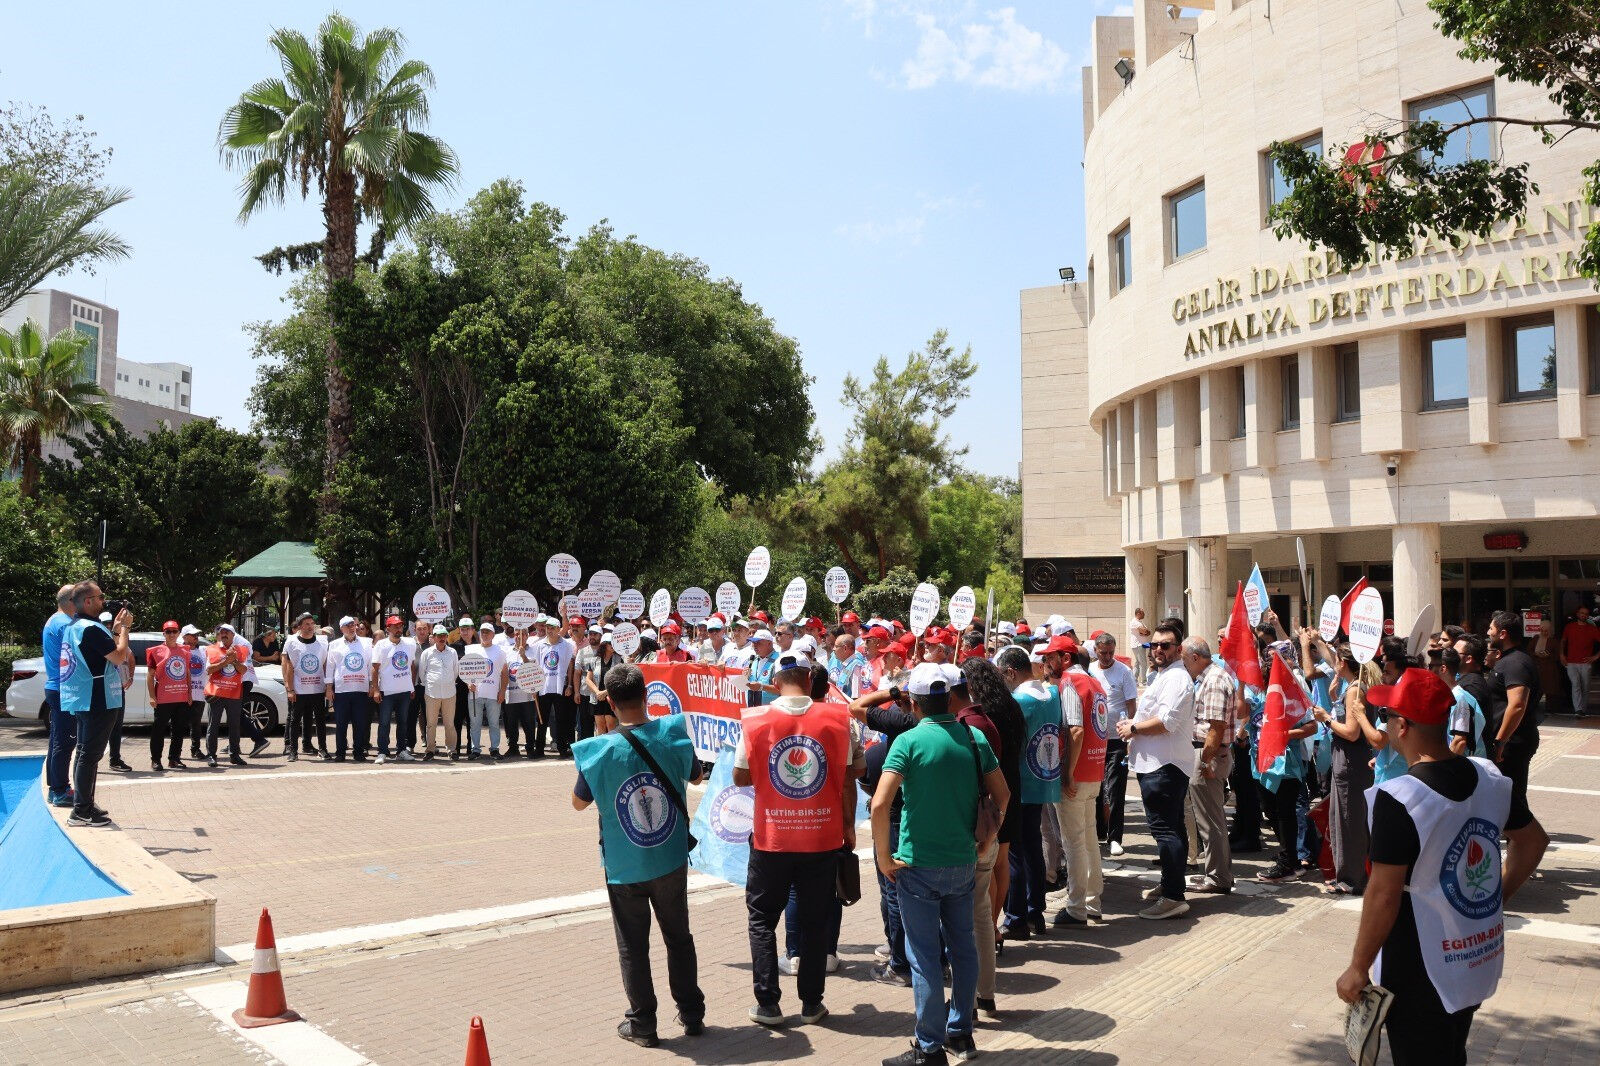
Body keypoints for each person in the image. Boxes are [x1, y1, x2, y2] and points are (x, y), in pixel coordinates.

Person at [1335, 667, 1547, 1066]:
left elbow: (1383, 895)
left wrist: (1358, 968)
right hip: (1475, 953)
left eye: (1386, 717)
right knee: (1451, 1051)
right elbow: (1534, 840)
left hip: (1420, 962)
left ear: (1402, 725)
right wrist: (1494, 897)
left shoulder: (1399, 797)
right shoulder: (1489, 777)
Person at [872, 662, 1009, 1066]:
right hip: (963, 861)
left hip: (918, 865)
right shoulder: (973, 736)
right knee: (963, 947)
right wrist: (986, 840)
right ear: (949, 698)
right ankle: (960, 1033)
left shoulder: (909, 741)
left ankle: (928, 1048)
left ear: (913, 703)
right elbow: (1002, 796)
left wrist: (883, 857)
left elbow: (880, 804)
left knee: (925, 958)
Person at [571, 663, 705, 1047]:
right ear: (646, 696)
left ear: (609, 703)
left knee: (633, 945)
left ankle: (643, 1024)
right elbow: (696, 777)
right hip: (669, 856)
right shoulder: (671, 732)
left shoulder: (599, 751)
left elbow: (579, 803)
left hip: (624, 862)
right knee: (679, 936)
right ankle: (692, 1013)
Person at [733, 649, 862, 1028]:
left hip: (772, 837)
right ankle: (811, 1003)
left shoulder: (755, 721)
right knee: (815, 920)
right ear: (810, 680)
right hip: (822, 836)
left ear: (774, 684)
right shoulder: (840, 719)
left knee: (762, 919)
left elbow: (740, 777)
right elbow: (856, 768)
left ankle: (768, 1003)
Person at [1116, 620, 1195, 918]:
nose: (1158, 650)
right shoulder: (1165, 675)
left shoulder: (1177, 678)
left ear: (1179, 649)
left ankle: (1174, 896)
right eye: (1154, 645)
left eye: (1165, 645)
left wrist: (1133, 728)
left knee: (1165, 830)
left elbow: (1167, 722)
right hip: (1158, 765)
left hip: (1166, 766)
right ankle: (1171, 884)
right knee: (1171, 827)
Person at [999, 640, 1064, 941]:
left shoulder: (1017, 703)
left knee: (1014, 852)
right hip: (1043, 778)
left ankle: (1016, 918)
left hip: (1020, 783)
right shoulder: (1052, 694)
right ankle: (1035, 910)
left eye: (1001, 675)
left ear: (1011, 673)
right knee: (1032, 847)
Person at [1486, 610, 1551, 890]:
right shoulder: (1508, 661)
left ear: (1503, 634)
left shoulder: (1515, 664)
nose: (1487, 633)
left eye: (1490, 629)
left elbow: (1517, 705)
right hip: (1509, 744)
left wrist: (1500, 741)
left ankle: (1521, 860)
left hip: (1512, 746)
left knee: (1511, 806)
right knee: (1510, 803)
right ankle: (1516, 860)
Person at [59, 582, 132, 826]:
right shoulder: (91, 628)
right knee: (89, 755)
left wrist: (116, 628)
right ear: (88, 601)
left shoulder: (76, 626)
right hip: (97, 699)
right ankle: (81, 811)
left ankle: (85, 804)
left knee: (84, 753)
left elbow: (103, 649)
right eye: (100, 597)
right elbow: (118, 656)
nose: (104, 601)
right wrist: (125, 631)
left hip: (84, 697)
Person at [1055, 641, 1109, 923]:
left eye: (1050, 657)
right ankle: (1092, 902)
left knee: (1074, 843)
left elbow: (1075, 730)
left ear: (1065, 658)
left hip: (1077, 774)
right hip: (1094, 770)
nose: (1047, 662)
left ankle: (1076, 907)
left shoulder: (1069, 681)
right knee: (1088, 841)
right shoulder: (1095, 683)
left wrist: (1067, 773)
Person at [1313, 643, 1373, 894]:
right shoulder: (1349, 688)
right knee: (1341, 817)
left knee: (1350, 820)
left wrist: (1326, 717)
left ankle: (1352, 879)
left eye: (1336, 659)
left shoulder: (1355, 690)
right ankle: (1347, 875)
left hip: (1350, 759)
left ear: (1343, 662)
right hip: (1345, 758)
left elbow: (1351, 732)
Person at [1182, 637, 1236, 896]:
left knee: (1210, 821)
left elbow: (1216, 728)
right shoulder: (1211, 677)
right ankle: (1220, 873)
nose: (1182, 662)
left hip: (1208, 753)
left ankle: (1217, 877)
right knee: (1212, 819)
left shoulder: (1214, 680)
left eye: (1183, 657)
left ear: (1195, 657)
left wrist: (1204, 761)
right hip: (1209, 753)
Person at [1089, 633, 1136, 856]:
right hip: (1095, 739)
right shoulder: (1090, 670)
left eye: (1110, 652)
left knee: (1116, 789)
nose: (1107, 657)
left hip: (1117, 740)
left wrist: (1130, 734)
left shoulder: (1124, 672)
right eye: (1103, 653)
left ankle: (1115, 837)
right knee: (1095, 788)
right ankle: (1099, 830)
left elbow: (1131, 705)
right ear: (1096, 651)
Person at [43, 584, 78, 807]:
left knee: (57, 739)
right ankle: (60, 790)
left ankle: (55, 787)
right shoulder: (64, 623)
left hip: (56, 687)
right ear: (71, 602)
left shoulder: (53, 620)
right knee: (65, 742)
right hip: (64, 688)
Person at [145, 621, 191, 771]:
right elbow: (150, 676)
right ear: (163, 633)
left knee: (179, 730)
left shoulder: (185, 650)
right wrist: (152, 696)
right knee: (158, 730)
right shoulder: (156, 651)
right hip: (164, 698)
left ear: (178, 633)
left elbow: (187, 674)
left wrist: (189, 693)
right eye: (168, 631)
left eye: (174, 631)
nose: (171, 634)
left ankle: (174, 759)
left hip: (181, 698)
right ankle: (156, 760)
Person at [371, 615, 418, 763]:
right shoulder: (381, 645)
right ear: (388, 628)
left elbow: (411, 666)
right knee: (384, 722)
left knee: (403, 722)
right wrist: (376, 690)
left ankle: (401, 750)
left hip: (404, 691)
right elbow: (375, 669)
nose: (399, 629)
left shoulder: (410, 644)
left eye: (400, 626)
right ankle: (382, 752)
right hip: (387, 691)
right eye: (395, 626)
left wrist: (411, 686)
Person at [326, 615, 373, 762]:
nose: (352, 628)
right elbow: (330, 667)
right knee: (341, 724)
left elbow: (370, 666)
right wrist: (329, 688)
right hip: (341, 691)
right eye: (348, 625)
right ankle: (340, 753)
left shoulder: (366, 643)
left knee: (360, 724)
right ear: (341, 629)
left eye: (353, 625)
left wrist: (372, 685)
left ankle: (358, 752)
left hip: (361, 690)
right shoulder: (334, 645)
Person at [283, 613, 329, 760]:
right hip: (299, 690)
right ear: (300, 627)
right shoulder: (292, 643)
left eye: (312, 624)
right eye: (307, 624)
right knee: (295, 720)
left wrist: (328, 686)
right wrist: (290, 689)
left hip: (317, 689)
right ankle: (293, 751)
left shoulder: (323, 642)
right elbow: (290, 668)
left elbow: (325, 665)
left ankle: (323, 749)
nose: (310, 627)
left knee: (320, 720)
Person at [535, 617, 577, 757]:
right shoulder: (540, 645)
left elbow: (570, 666)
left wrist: (570, 685)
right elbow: (536, 666)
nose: (550, 630)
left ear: (559, 629)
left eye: (553, 628)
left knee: (561, 719)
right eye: (548, 627)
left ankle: (562, 749)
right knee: (542, 720)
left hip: (560, 687)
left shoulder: (567, 645)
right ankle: (539, 749)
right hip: (544, 687)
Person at [418, 625, 459, 761]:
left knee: (449, 724)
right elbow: (422, 674)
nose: (442, 638)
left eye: (444, 635)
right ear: (434, 637)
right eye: (439, 636)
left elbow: (455, 672)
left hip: (449, 693)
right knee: (431, 724)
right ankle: (430, 749)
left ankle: (451, 750)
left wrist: (446, 682)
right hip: (431, 693)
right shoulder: (427, 653)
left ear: (447, 637)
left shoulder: (452, 652)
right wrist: (432, 684)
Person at [1559, 604, 1598, 717]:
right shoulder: (1569, 627)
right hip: (1571, 662)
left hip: (1586, 663)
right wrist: (1562, 654)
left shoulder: (1592, 629)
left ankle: (1583, 709)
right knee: (1576, 685)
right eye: (1582, 613)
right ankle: (1578, 710)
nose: (1583, 615)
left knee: (1585, 687)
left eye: (1586, 614)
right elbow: (1563, 641)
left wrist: (1595, 656)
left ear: (1588, 615)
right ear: (1577, 614)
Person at [574, 625, 610, 739]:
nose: (592, 636)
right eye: (590, 634)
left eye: (595, 634)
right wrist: (576, 692)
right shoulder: (582, 652)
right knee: (585, 726)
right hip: (585, 692)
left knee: (603, 726)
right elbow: (577, 673)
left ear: (600, 635)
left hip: (601, 694)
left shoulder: (607, 651)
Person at [1129, 607, 1151, 685]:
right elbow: (1144, 631)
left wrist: (1145, 631)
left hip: (1142, 644)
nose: (1144, 614)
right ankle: (1144, 681)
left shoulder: (1140, 622)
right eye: (1143, 613)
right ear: (1138, 613)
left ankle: (1134, 680)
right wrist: (1144, 631)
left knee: (1138, 663)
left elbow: (1148, 632)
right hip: (1138, 645)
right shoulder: (1134, 622)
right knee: (1143, 663)